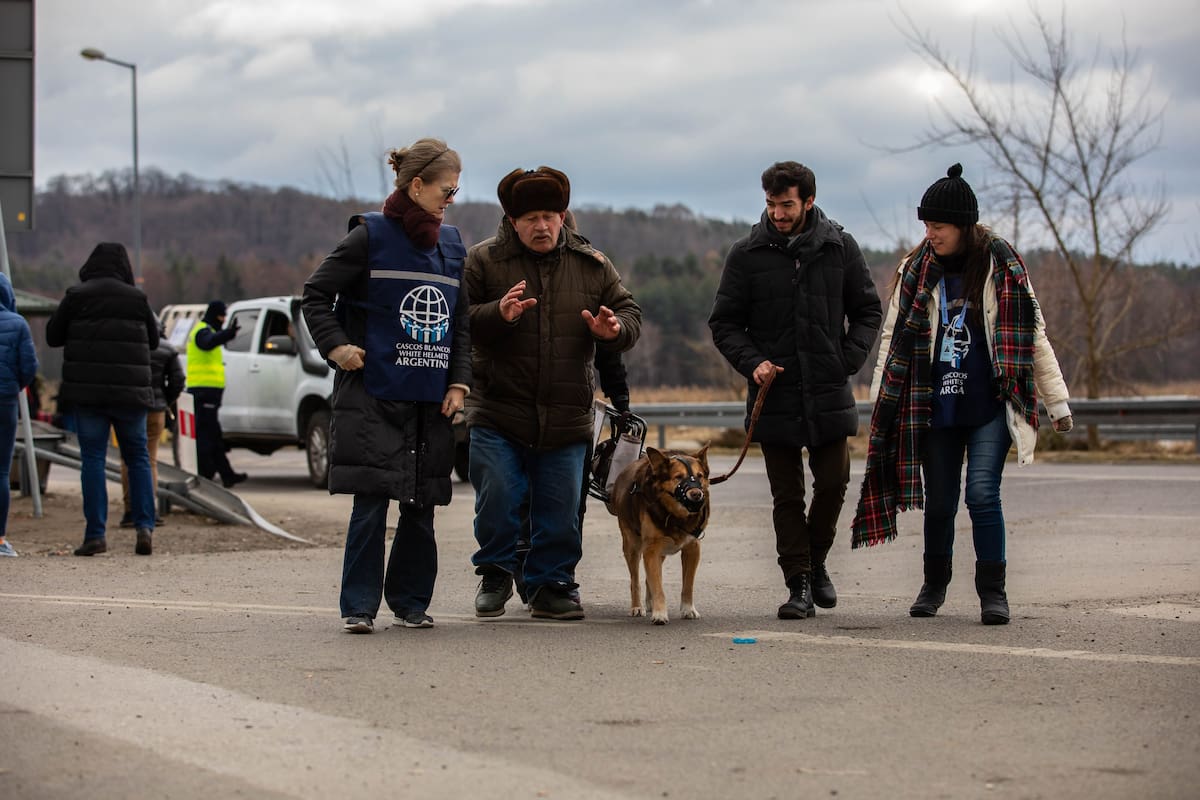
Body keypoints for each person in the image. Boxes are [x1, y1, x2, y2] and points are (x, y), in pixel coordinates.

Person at [851, 163, 1073, 625]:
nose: (930, 234)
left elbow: (1033, 336)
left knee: (982, 494)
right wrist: (880, 402)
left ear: (963, 225)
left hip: (990, 403)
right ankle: (933, 586)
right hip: (935, 405)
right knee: (940, 502)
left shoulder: (1002, 267)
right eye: (927, 226)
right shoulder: (915, 271)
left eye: (939, 226)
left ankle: (993, 592)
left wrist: (1057, 403)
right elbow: (892, 337)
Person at [302, 137, 471, 634]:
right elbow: (315, 294)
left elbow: (459, 323)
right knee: (372, 502)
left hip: (430, 400)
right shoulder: (368, 237)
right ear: (416, 186)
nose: (451, 199)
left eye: (455, 191)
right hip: (373, 395)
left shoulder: (452, 245)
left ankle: (411, 602)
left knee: (422, 506)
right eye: (446, 190)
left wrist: (459, 383)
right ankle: (358, 606)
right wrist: (336, 346)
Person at [466, 166, 641, 621]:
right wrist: (497, 314)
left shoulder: (592, 264)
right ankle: (496, 572)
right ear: (512, 221)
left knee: (561, 510)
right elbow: (459, 320)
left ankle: (550, 584)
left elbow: (629, 311)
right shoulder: (483, 261)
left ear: (563, 216)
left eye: (550, 216)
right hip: (497, 409)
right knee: (499, 496)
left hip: (566, 413)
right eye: (531, 219)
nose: (542, 226)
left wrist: (615, 329)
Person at [709, 161, 882, 620]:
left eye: (786, 204)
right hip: (775, 393)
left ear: (808, 200)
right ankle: (799, 583)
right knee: (787, 496)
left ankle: (816, 560)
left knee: (833, 483)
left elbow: (868, 311)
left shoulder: (840, 247)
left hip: (828, 388)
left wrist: (846, 359)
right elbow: (724, 324)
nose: (778, 214)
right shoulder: (746, 254)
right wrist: (753, 363)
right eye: (771, 204)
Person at [46, 243, 159, 556]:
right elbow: (153, 341)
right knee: (137, 458)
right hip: (131, 395)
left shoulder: (76, 296)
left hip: (89, 395)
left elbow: (52, 336)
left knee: (93, 460)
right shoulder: (137, 299)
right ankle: (144, 527)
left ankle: (95, 534)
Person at [119, 318, 185, 527]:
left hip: (129, 407)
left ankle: (130, 510)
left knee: (127, 459)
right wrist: (166, 400)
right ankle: (150, 509)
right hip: (156, 409)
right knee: (150, 459)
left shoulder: (127, 346)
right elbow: (178, 380)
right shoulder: (167, 349)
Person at [186, 300, 246, 488]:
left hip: (208, 393)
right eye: (221, 316)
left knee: (213, 435)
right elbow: (208, 343)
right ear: (214, 315)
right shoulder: (202, 331)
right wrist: (227, 334)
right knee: (206, 436)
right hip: (203, 392)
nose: (223, 319)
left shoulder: (207, 330)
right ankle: (205, 475)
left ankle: (226, 474)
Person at [0, 273, 39, 558]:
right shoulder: (18, 323)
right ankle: (0, 539)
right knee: (1, 471)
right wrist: (14, 385)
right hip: (5, 402)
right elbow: (29, 366)